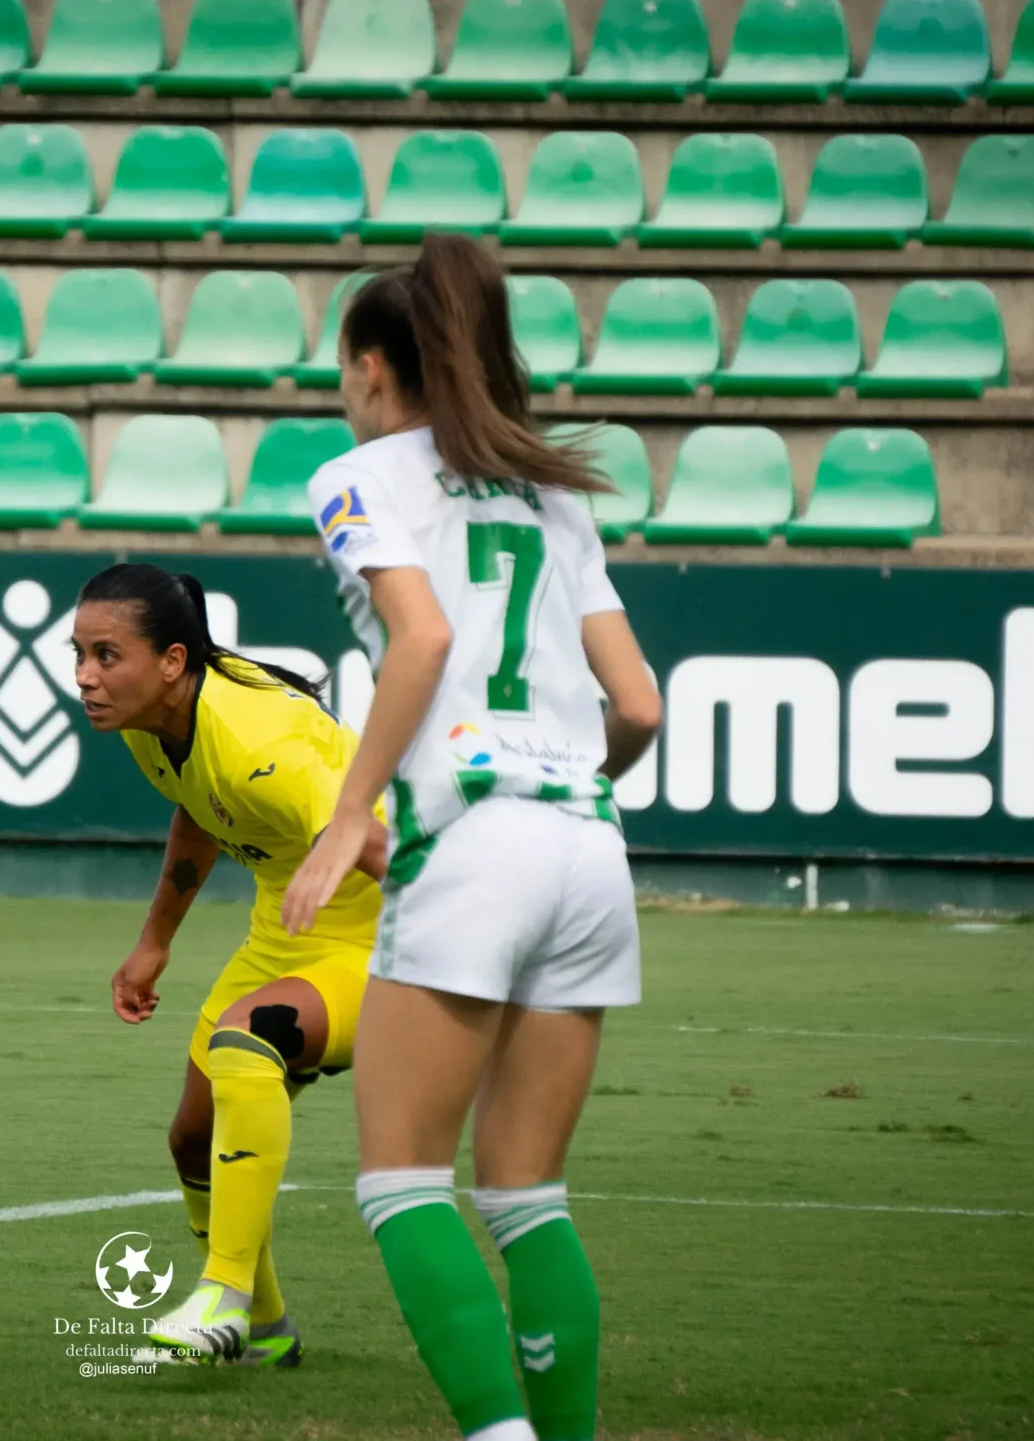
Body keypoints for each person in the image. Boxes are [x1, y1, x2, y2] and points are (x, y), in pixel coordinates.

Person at [278, 235, 664, 1441]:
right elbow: (639, 706)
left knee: (401, 1178)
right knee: (525, 1192)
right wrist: (564, 790)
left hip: (474, 836)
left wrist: (351, 813)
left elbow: (425, 639)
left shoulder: (355, 477)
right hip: (587, 842)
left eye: (343, 372)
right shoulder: (551, 489)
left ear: (370, 366)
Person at [71, 562, 388, 1367]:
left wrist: (472, 959)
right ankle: (267, 1328)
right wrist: (155, 941)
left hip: (384, 941)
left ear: (172, 661)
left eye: (106, 655)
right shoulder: (152, 723)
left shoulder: (260, 741)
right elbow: (200, 807)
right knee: (193, 1137)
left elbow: (378, 842)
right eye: (78, 653)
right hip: (286, 930)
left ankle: (223, 1293)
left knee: (249, 1038)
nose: (85, 677)